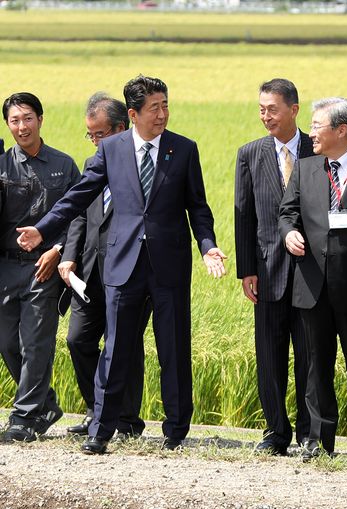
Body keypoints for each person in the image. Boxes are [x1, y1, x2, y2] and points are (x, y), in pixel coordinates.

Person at [17, 75, 226, 454]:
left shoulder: (183, 149)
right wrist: (43, 229)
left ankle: (176, 430)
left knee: (173, 348)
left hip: (169, 266)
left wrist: (207, 246)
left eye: (165, 105)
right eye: (154, 108)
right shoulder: (111, 149)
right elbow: (77, 197)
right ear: (133, 113)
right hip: (122, 263)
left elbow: (198, 206)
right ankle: (101, 429)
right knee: (115, 348)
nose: (162, 114)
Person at [59, 92, 148, 436]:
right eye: (91, 135)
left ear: (121, 129)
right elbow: (80, 215)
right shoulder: (91, 165)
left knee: (123, 343)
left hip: (128, 272)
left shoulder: (143, 168)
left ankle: (125, 420)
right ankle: (98, 411)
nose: (96, 142)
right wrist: (68, 256)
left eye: (101, 134)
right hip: (89, 273)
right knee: (78, 340)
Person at [279, 97, 347, 459]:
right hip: (312, 283)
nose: (310, 133)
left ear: (341, 130)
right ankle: (317, 440)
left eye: (316, 126)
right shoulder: (308, 168)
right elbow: (287, 212)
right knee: (315, 364)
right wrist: (288, 233)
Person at [234, 78, 312, 455]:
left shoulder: (318, 149)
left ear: (294, 110)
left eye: (273, 109)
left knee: (310, 353)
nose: (266, 116)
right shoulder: (250, 154)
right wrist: (247, 269)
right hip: (266, 271)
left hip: (312, 273)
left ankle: (311, 433)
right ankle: (276, 432)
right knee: (269, 353)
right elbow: (243, 216)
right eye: (261, 109)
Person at [0, 92, 80, 442]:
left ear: (41, 119)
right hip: (5, 267)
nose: (22, 126)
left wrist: (58, 250)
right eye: (15, 120)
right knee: (6, 343)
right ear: (8, 125)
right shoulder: (1, 166)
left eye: (28, 117)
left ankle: (25, 416)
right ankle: (45, 403)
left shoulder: (64, 165)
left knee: (36, 343)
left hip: (43, 267)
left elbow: (79, 215)